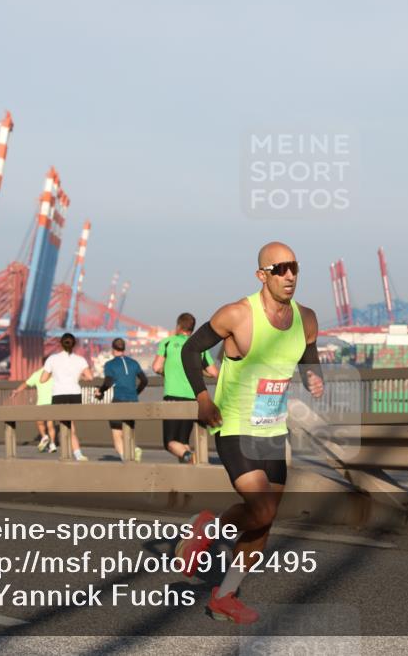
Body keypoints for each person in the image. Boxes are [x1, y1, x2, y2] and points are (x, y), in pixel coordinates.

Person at [176, 241, 324, 624]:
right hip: (236, 426)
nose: (289, 275)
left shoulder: (306, 318)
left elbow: (308, 356)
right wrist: (202, 398)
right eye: (280, 269)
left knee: (264, 521)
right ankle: (208, 528)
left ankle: (224, 596)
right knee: (261, 508)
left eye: (294, 267)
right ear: (262, 275)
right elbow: (190, 351)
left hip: (273, 429)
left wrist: (314, 377)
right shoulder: (237, 315)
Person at [153, 313, 219, 464]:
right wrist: (198, 372)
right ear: (192, 328)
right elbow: (214, 373)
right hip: (193, 398)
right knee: (183, 441)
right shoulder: (199, 346)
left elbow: (156, 367)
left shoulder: (167, 342)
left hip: (172, 397)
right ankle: (189, 472)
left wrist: (167, 371)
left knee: (170, 442)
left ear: (178, 326)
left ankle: (193, 458)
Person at [41, 333, 91, 461]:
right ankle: (77, 453)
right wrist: (79, 376)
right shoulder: (80, 360)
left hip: (59, 394)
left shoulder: (52, 359)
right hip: (75, 394)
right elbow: (90, 377)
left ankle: (68, 454)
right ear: (74, 344)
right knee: (71, 425)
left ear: (60, 344)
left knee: (64, 425)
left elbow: (42, 379)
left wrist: (54, 374)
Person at [97, 338, 148, 462]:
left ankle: (127, 458)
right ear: (124, 348)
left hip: (118, 400)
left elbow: (108, 382)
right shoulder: (134, 363)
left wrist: (101, 391)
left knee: (116, 433)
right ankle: (133, 450)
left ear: (113, 349)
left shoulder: (110, 364)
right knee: (128, 430)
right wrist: (135, 392)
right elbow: (144, 381)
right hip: (133, 401)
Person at [11, 364, 56, 453]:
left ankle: (46, 438)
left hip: (43, 403)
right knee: (48, 424)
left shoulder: (38, 374)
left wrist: (17, 391)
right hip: (49, 402)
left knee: (42, 423)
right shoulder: (54, 373)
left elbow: (26, 384)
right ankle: (51, 443)